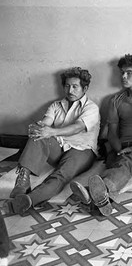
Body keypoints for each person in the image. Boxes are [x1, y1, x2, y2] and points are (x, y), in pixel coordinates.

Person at [70, 54, 132, 216]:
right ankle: (100, 201)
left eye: (128, 73)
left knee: (125, 163)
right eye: (121, 73)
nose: (123, 77)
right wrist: (119, 148)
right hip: (119, 148)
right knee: (120, 163)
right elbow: (112, 132)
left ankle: (97, 191)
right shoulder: (115, 101)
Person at [6, 67, 100, 215]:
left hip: (81, 150)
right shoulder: (56, 105)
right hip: (60, 147)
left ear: (85, 88)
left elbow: (77, 127)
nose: (70, 90)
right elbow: (46, 122)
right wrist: (39, 128)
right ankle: (23, 181)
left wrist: (52, 132)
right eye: (67, 86)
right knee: (38, 134)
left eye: (75, 86)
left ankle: (29, 200)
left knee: (60, 175)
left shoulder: (91, 108)